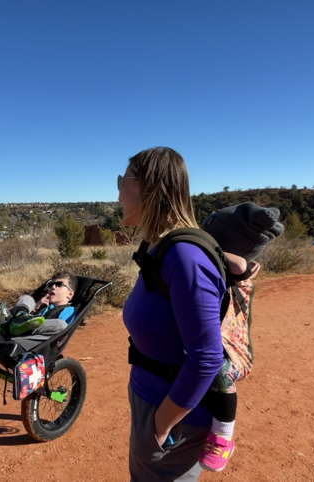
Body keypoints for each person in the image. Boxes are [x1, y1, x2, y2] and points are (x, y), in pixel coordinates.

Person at [119, 147, 225, 481]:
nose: (118, 190)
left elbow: (206, 358)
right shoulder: (157, 246)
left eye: (124, 180)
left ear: (149, 188)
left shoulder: (183, 257)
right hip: (151, 398)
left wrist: (160, 426)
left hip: (172, 417)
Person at [195, 202, 283, 472]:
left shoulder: (241, 270)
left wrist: (203, 245)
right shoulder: (215, 265)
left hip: (230, 351)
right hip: (210, 341)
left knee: (219, 372)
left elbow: (237, 262)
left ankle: (223, 436)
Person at [0, 271, 78, 337]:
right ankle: (19, 317)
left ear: (70, 294)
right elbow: (32, 311)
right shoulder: (44, 304)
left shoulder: (69, 310)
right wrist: (36, 307)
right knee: (27, 298)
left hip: (37, 337)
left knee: (61, 324)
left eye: (59, 284)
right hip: (19, 328)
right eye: (50, 285)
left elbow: (60, 331)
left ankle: (12, 324)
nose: (53, 287)